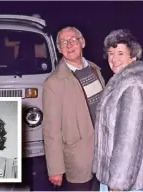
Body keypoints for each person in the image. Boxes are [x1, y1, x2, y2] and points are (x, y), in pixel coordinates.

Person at [92, 29, 143, 191]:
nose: (114, 59)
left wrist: (118, 184)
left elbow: (129, 139)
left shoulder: (133, 86)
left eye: (120, 53)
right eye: (110, 53)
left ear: (133, 56)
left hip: (127, 183)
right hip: (118, 178)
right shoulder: (121, 81)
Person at [42, 26, 105, 191]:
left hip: (103, 150)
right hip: (78, 156)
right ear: (59, 49)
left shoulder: (95, 70)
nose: (69, 45)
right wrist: (55, 169)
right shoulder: (54, 83)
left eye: (73, 40)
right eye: (63, 42)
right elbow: (51, 129)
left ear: (82, 42)